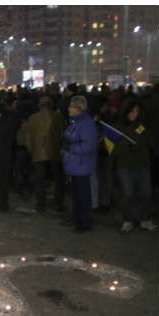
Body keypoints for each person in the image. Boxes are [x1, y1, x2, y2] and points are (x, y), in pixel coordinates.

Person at [111, 99, 158, 234]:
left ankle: (146, 220)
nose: (134, 114)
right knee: (127, 193)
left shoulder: (141, 125)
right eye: (132, 111)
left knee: (146, 193)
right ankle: (127, 221)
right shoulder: (117, 126)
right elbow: (111, 148)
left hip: (142, 163)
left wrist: (146, 144)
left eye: (137, 111)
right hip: (125, 165)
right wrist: (127, 148)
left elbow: (148, 140)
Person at [61, 96, 98, 234]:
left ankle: (86, 222)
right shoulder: (75, 121)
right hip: (75, 165)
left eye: (70, 106)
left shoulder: (86, 124)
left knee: (83, 195)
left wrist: (70, 147)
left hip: (82, 166)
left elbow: (88, 145)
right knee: (76, 194)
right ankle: (76, 218)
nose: (68, 109)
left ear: (77, 109)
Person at [25, 97, 67, 213]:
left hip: (38, 153)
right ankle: (58, 204)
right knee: (59, 179)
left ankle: (40, 205)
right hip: (55, 152)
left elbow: (28, 139)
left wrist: (33, 151)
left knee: (39, 180)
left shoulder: (33, 118)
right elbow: (65, 134)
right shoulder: (58, 117)